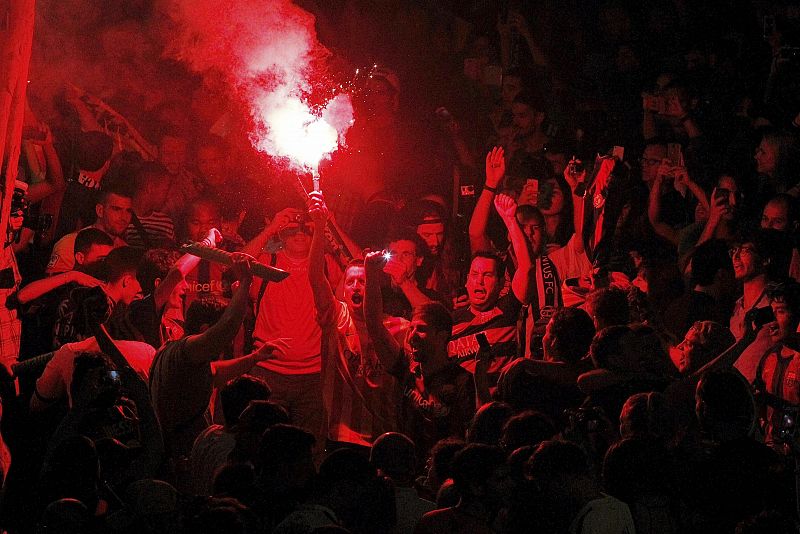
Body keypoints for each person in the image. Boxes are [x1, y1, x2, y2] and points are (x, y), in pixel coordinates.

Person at [148, 254, 286, 477]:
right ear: (205, 330)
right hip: (181, 463)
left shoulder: (182, 357)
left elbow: (215, 372)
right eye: (219, 335)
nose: (228, 342)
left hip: (185, 457)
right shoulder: (185, 351)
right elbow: (228, 326)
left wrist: (255, 357)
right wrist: (245, 283)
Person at [307, 191, 401, 449]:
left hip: (383, 438)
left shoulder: (398, 327)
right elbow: (316, 277)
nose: (357, 286)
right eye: (351, 281)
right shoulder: (336, 317)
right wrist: (319, 226)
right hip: (341, 437)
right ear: (343, 288)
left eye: (364, 280)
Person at [365, 252, 475, 459]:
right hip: (408, 467)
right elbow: (374, 325)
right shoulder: (406, 368)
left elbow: (468, 433)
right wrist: (370, 273)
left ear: (442, 336)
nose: (412, 335)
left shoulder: (461, 380)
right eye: (412, 328)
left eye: (421, 329)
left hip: (443, 469)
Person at [414, 444, 511, 534]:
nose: (510, 484)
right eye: (500, 479)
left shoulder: (432, 521)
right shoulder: (436, 525)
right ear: (476, 487)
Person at [47, 184, 132, 275]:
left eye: (128, 211)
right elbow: (52, 285)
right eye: (116, 209)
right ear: (100, 210)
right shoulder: (70, 244)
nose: (124, 217)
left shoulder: (126, 251)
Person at [124, 161, 175, 249]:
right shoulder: (121, 219)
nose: (168, 195)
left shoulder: (166, 223)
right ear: (150, 188)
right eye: (166, 189)